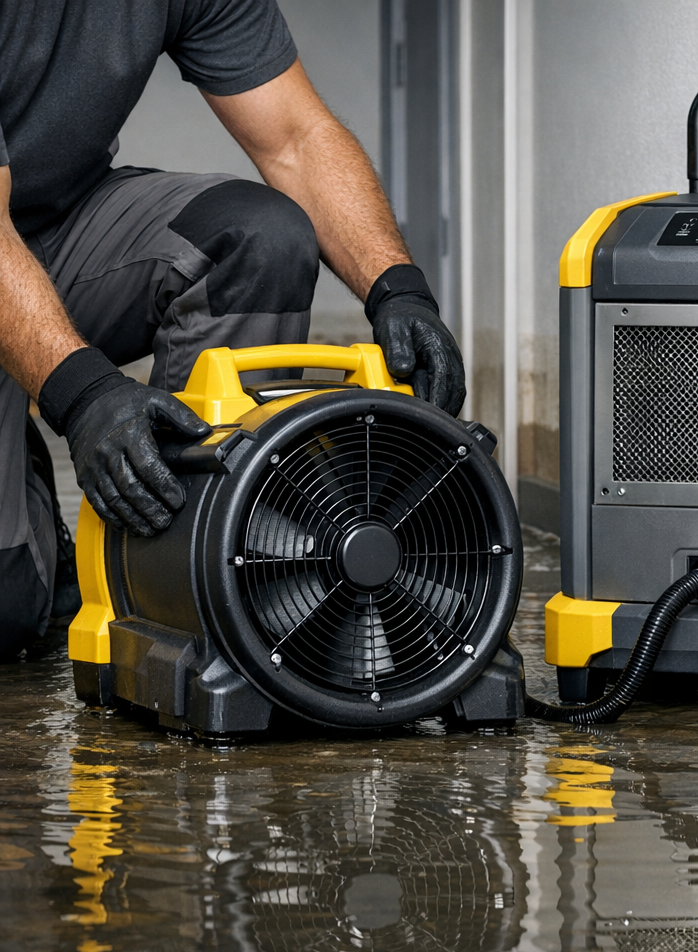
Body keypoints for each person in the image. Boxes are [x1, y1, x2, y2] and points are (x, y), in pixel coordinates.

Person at [0, 0, 466, 659]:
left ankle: (193, 569)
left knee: (261, 237)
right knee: (8, 606)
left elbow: (296, 138)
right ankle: (26, 480)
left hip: (60, 229)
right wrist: (83, 395)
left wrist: (397, 287)